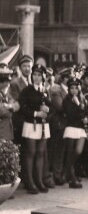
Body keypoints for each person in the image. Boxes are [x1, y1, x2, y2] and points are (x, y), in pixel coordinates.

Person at [19, 64, 52, 194]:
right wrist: (36, 113)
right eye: (34, 75)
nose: (36, 77)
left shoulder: (45, 90)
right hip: (31, 124)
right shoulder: (27, 90)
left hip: (43, 126)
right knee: (30, 153)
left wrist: (48, 110)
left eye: (39, 75)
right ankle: (30, 182)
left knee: (40, 153)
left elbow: (51, 107)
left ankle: (39, 181)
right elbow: (22, 108)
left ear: (43, 77)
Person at [62, 77, 88, 189]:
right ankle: (73, 179)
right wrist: (77, 105)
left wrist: (87, 118)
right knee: (70, 152)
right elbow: (70, 113)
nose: (74, 91)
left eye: (76, 88)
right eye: (71, 88)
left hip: (81, 128)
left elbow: (87, 112)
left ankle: (66, 171)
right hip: (71, 127)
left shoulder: (83, 99)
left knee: (78, 151)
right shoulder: (67, 100)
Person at [0, 65, 19, 140]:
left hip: (7, 131)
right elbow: (2, 112)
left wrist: (9, 106)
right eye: (7, 82)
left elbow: (17, 105)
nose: (8, 84)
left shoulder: (6, 94)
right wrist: (11, 110)